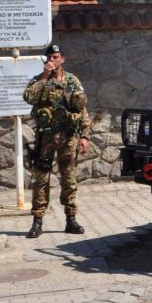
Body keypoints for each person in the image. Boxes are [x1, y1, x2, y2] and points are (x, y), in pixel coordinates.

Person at [23, 42, 91, 238]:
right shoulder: (39, 80)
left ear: (63, 59)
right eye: (49, 58)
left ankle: (71, 220)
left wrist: (85, 135)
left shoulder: (72, 81)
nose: (52, 60)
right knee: (41, 179)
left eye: (56, 57)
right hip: (46, 138)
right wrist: (45, 76)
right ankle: (37, 221)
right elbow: (28, 97)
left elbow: (81, 109)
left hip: (69, 138)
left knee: (69, 179)